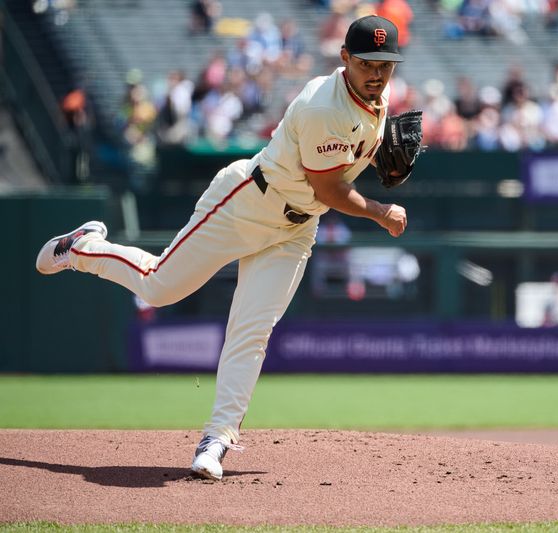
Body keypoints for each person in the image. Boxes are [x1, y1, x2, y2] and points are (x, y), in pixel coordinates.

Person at [34, 15, 409, 480]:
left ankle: (218, 437)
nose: (377, 73)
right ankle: (83, 247)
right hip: (248, 203)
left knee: (252, 331)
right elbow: (329, 189)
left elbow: (335, 176)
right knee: (157, 287)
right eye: (368, 62)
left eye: (386, 63)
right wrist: (379, 209)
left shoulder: (379, 96)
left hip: (296, 228)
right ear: (345, 59)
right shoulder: (322, 107)